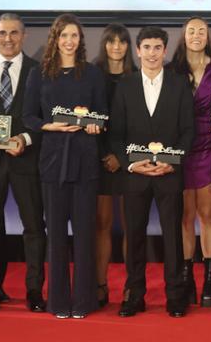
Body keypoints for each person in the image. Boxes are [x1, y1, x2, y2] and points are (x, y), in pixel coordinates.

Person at [24, 14, 107, 319]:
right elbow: (28, 117)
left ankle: (83, 302)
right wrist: (52, 126)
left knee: (85, 235)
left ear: (80, 41)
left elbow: (102, 114)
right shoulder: (39, 74)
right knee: (56, 235)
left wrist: (96, 126)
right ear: (55, 39)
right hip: (53, 160)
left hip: (85, 160)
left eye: (74, 36)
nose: (69, 41)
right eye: (64, 36)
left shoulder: (93, 75)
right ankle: (58, 301)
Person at [111, 26, 195, 318]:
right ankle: (134, 295)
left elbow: (188, 131)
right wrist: (132, 163)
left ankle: (175, 296)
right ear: (137, 50)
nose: (151, 53)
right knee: (133, 236)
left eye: (157, 47)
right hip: (135, 176)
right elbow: (115, 136)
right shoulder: (124, 85)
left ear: (165, 50)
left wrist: (173, 161)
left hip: (169, 175)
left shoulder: (180, 83)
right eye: (146, 47)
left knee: (173, 235)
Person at [0, 13, 45, 314]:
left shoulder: (38, 71)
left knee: (33, 228)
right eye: (2, 33)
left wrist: (25, 140)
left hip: (25, 160)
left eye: (14, 33)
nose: (8, 39)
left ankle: (34, 291)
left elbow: (44, 117)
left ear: (24, 36)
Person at [171, 17, 211, 306]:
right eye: (191, 30)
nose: (196, 35)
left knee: (208, 215)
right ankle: (187, 277)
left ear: (208, 36)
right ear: (184, 35)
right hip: (180, 150)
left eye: (202, 30)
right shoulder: (172, 71)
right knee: (185, 217)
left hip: (209, 149)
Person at [92, 23, 135, 307]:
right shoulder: (93, 76)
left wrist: (123, 156)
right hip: (100, 160)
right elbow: (90, 118)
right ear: (104, 45)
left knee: (133, 226)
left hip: (131, 162)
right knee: (102, 225)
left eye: (122, 41)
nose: (116, 46)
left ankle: (133, 286)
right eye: (111, 41)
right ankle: (99, 284)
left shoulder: (138, 77)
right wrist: (105, 154)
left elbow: (143, 124)